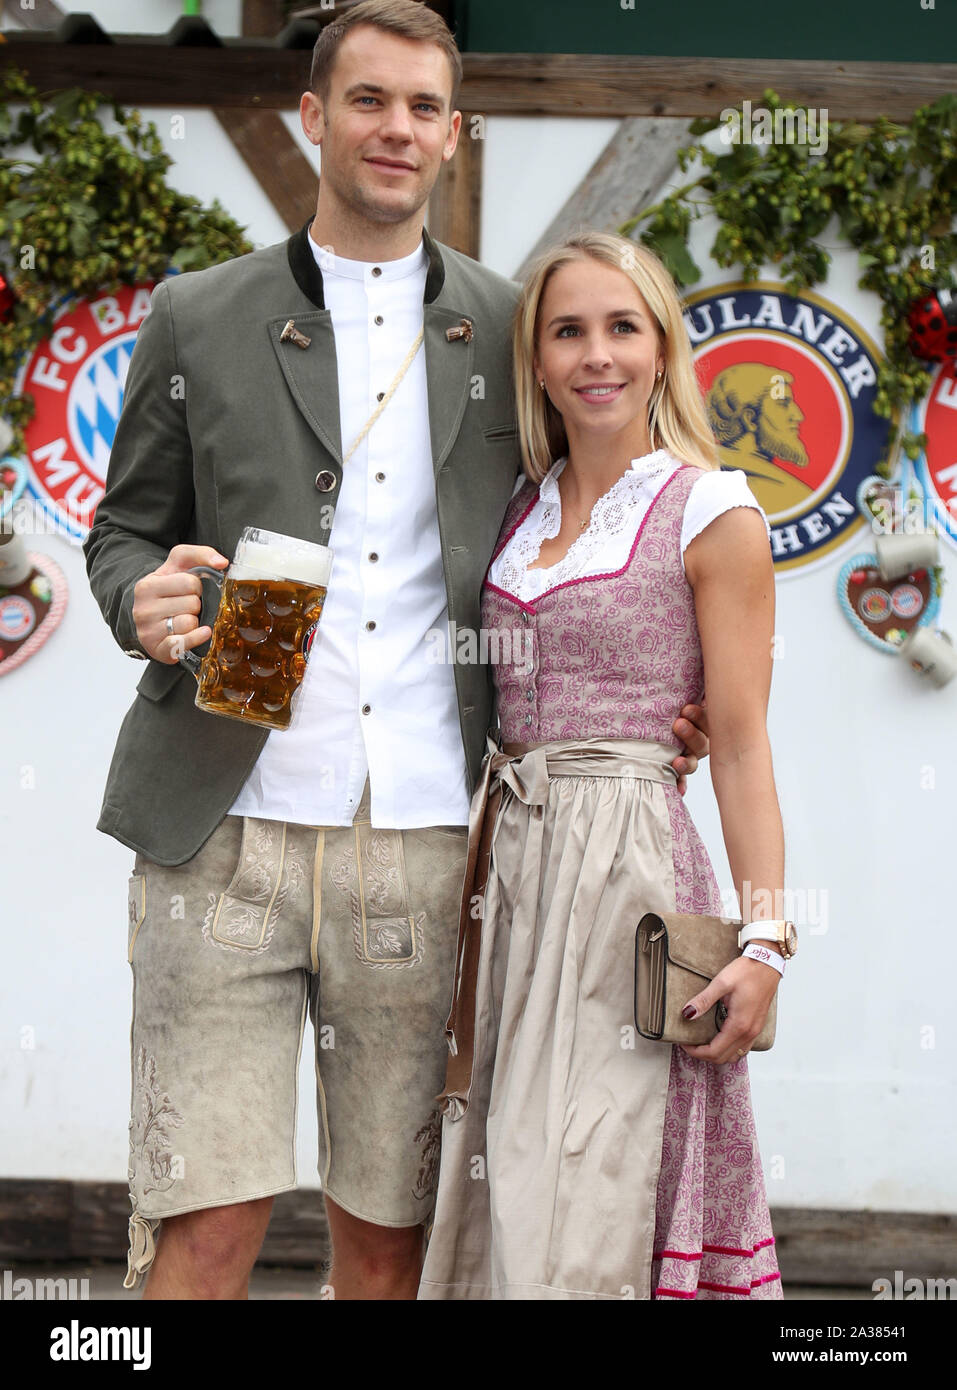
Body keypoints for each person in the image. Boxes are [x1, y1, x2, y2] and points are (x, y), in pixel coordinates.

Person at [84, 1, 709, 1301]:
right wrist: (141, 593)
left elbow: (596, 521)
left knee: (389, 1238)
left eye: (424, 107)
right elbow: (125, 531)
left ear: (453, 133)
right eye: (368, 99)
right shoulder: (198, 316)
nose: (396, 128)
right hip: (222, 822)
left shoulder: (511, 322)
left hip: (427, 836)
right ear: (312, 118)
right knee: (204, 1224)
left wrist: (654, 698)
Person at [419, 232, 789, 1301]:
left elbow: (746, 737)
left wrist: (767, 939)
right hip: (511, 873)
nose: (598, 354)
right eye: (567, 330)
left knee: (596, 1182)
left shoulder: (712, 509)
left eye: (624, 326)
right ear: (534, 360)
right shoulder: (515, 508)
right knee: (506, 1170)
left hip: (631, 876)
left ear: (664, 348)